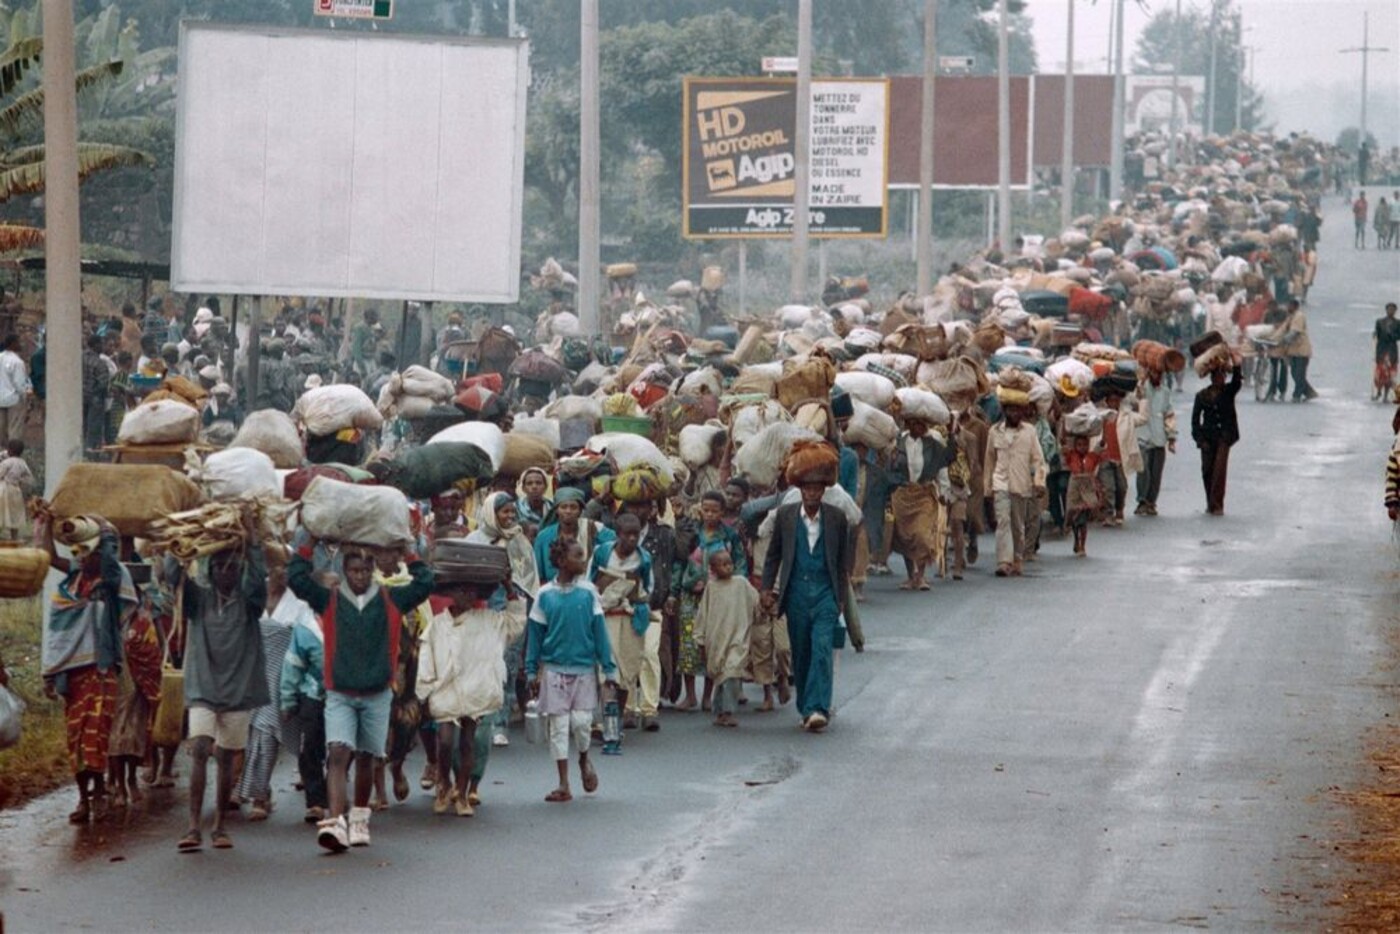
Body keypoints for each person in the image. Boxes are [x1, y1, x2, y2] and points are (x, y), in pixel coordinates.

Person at [288, 539, 433, 853]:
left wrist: (408, 551)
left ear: (373, 570)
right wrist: (307, 545)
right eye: (354, 570)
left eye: (365, 570)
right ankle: (336, 822)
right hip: (339, 692)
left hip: (377, 693)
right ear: (344, 570)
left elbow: (425, 583)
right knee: (338, 753)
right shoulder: (329, 600)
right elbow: (297, 580)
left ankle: (358, 818)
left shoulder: (392, 599)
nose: (360, 576)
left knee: (367, 757)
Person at [176, 516, 269, 852]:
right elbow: (174, 578)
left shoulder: (250, 604)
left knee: (227, 759)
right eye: (219, 568)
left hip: (239, 690)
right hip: (203, 686)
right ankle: (192, 826)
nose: (225, 574)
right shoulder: (198, 601)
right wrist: (180, 550)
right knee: (200, 749)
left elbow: (259, 580)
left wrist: (254, 542)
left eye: (232, 568)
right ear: (210, 571)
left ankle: (219, 826)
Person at [39, 514, 138, 824]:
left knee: (96, 734)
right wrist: (44, 523)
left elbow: (111, 563)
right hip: (71, 672)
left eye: (88, 551)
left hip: (101, 668)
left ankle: (98, 792)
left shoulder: (110, 580)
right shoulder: (72, 581)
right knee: (76, 737)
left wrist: (105, 533)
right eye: (78, 552)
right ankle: (84, 796)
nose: (81, 558)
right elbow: (50, 557)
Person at [760, 442, 851, 732]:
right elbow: (773, 555)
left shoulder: (836, 519)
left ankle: (817, 708)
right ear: (800, 490)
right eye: (808, 489)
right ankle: (805, 706)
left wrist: (840, 599)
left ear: (824, 491)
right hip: (796, 593)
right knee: (801, 652)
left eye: (817, 489)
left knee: (822, 648)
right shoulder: (786, 517)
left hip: (825, 594)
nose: (812, 494)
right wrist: (766, 589)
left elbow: (842, 562)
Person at [417, 575, 526, 816]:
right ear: (451, 593)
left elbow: (515, 623)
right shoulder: (438, 624)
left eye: (471, 592)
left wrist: (508, 587)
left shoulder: (488, 621)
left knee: (468, 742)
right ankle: (444, 783)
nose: (467, 597)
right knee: (445, 742)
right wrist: (424, 691)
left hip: (474, 690)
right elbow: (426, 656)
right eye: (461, 591)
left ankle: (462, 793)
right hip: (444, 691)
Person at [526, 538, 617, 803]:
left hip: (584, 670)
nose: (583, 559)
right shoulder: (544, 595)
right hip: (554, 670)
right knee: (559, 727)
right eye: (578, 555)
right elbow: (535, 636)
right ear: (562, 561)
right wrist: (532, 671)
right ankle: (563, 782)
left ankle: (584, 758)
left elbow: (600, 634)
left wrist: (608, 671)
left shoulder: (588, 594)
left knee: (581, 723)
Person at [236, 560, 310, 822]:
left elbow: (303, 646)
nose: (279, 572)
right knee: (251, 736)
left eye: (284, 567)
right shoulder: (252, 598)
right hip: (252, 675)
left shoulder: (300, 605)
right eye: (275, 566)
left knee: (268, 734)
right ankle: (261, 790)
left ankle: (258, 796)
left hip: (284, 679)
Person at [465, 491, 539, 746]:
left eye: (511, 511)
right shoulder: (474, 540)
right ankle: (478, 719)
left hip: (512, 611)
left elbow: (529, 578)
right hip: (482, 609)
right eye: (504, 511)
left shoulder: (519, 541)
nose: (509, 517)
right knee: (482, 665)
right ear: (491, 513)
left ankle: (500, 723)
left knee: (506, 666)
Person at [673, 490, 747, 712]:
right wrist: (673, 591)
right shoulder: (692, 532)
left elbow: (740, 563)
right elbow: (679, 562)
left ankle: (708, 695)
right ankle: (690, 696)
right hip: (690, 596)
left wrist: (737, 587)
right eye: (706, 510)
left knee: (712, 644)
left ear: (722, 512)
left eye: (715, 511)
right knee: (688, 644)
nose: (710, 515)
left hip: (718, 597)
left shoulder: (729, 536)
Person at [588, 512, 653, 734]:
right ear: (618, 535)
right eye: (628, 535)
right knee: (607, 670)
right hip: (606, 617)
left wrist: (636, 598)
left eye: (636, 535)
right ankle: (602, 721)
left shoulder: (643, 558)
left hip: (631, 618)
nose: (632, 540)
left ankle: (618, 716)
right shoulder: (602, 553)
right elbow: (589, 581)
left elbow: (649, 587)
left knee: (628, 670)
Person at [278, 575, 329, 824]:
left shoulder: (348, 619)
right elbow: (293, 664)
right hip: (312, 693)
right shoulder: (304, 626)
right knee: (309, 746)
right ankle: (316, 801)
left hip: (344, 694)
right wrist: (287, 700)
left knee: (341, 747)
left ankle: (334, 785)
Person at [693, 548, 760, 729]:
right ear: (713, 569)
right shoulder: (711, 588)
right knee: (721, 675)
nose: (728, 567)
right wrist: (700, 640)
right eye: (723, 565)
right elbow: (702, 615)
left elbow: (756, 602)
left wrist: (766, 605)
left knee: (732, 672)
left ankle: (728, 712)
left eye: (730, 563)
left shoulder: (741, 583)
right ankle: (720, 712)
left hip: (738, 638)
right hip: (716, 640)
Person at [623, 496, 671, 731]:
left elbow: (674, 561)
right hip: (623, 607)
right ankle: (629, 706)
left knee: (650, 654)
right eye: (634, 505)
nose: (638, 510)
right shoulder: (615, 534)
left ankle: (650, 708)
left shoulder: (663, 535)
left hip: (651, 605)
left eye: (643, 505)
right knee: (629, 656)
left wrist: (668, 594)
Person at [984, 403, 1048, 577]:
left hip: (1021, 484)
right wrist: (987, 489)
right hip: (1000, 483)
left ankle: (1017, 558)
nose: (1015, 413)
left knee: (1017, 524)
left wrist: (1039, 482)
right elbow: (989, 461)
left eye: (1018, 409)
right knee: (1003, 521)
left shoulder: (1029, 431)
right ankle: (1004, 561)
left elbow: (1038, 459)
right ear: (1005, 411)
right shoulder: (994, 431)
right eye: (1011, 410)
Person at [889, 417, 951, 591]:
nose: (921, 426)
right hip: (902, 494)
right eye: (917, 422)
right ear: (909, 424)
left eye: (924, 423)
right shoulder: (898, 443)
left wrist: (944, 492)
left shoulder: (935, 445)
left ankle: (921, 575)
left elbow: (942, 470)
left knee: (921, 534)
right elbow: (890, 466)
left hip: (924, 493)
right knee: (905, 536)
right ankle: (911, 576)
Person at [1191, 360, 1243, 516]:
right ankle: (1210, 501)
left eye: (1223, 376)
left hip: (1224, 437)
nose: (1221, 379)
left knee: (1219, 471)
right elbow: (1195, 421)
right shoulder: (1202, 396)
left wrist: (1237, 365)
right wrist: (1200, 440)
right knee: (1207, 470)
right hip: (1207, 438)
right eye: (1218, 376)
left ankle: (1217, 504)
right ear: (1212, 378)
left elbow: (1237, 382)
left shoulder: (1228, 392)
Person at [533, 486, 615, 584]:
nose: (568, 511)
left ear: (580, 511)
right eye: (564, 507)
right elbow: (538, 574)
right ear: (556, 511)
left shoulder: (593, 528)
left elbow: (616, 543)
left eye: (573, 507)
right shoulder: (543, 537)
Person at [1134, 371, 1177, 517]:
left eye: (1159, 374)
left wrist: (1171, 437)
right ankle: (1142, 501)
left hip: (1159, 438)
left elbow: (1169, 414)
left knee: (1156, 473)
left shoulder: (1165, 391)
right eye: (1154, 373)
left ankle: (1151, 502)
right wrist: (1142, 379)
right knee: (1143, 470)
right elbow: (1136, 397)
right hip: (1143, 436)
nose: (1157, 376)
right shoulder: (1142, 388)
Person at [1064, 433, 1104, 557]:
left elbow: (1101, 444)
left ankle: (1082, 545)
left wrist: (1104, 426)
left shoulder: (1092, 457)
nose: (1082, 447)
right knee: (1075, 518)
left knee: (1083, 520)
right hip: (1075, 486)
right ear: (1075, 446)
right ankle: (1076, 539)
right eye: (1079, 445)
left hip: (1087, 487)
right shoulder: (1071, 456)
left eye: (1085, 445)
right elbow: (1063, 443)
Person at [1277, 299, 1317, 402]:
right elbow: (1282, 330)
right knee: (1295, 374)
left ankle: (1297, 395)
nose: (1287, 308)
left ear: (1294, 306)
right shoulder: (1290, 317)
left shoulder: (1299, 316)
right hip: (1293, 351)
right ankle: (1309, 392)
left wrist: (1283, 340)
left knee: (1299, 374)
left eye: (1289, 306)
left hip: (1301, 351)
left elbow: (1294, 332)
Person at [0, 438, 33, 541]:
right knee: (15, 513)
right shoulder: (22, 463)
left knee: (2, 512)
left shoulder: (6, 462)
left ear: (9, 450)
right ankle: (14, 537)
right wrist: (19, 480)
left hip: (4, 490)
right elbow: (29, 478)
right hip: (16, 491)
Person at [0, 333, 30, 445]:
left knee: (1, 428)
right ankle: (13, 452)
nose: (21, 344)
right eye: (18, 341)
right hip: (14, 399)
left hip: (0, 398)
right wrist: (25, 397)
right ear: (12, 344)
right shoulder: (17, 362)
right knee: (14, 429)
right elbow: (20, 384)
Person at [1374, 303, 1400, 396]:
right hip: (1381, 349)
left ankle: (1386, 394)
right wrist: (1375, 334)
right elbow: (1377, 332)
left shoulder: (1398, 323)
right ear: (1386, 310)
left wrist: (1392, 335)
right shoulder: (1380, 321)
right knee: (1380, 371)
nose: (1391, 311)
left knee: (1389, 374)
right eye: (1389, 309)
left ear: (1395, 311)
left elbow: (1399, 336)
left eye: (1393, 310)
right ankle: (1378, 391)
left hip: (1392, 350)